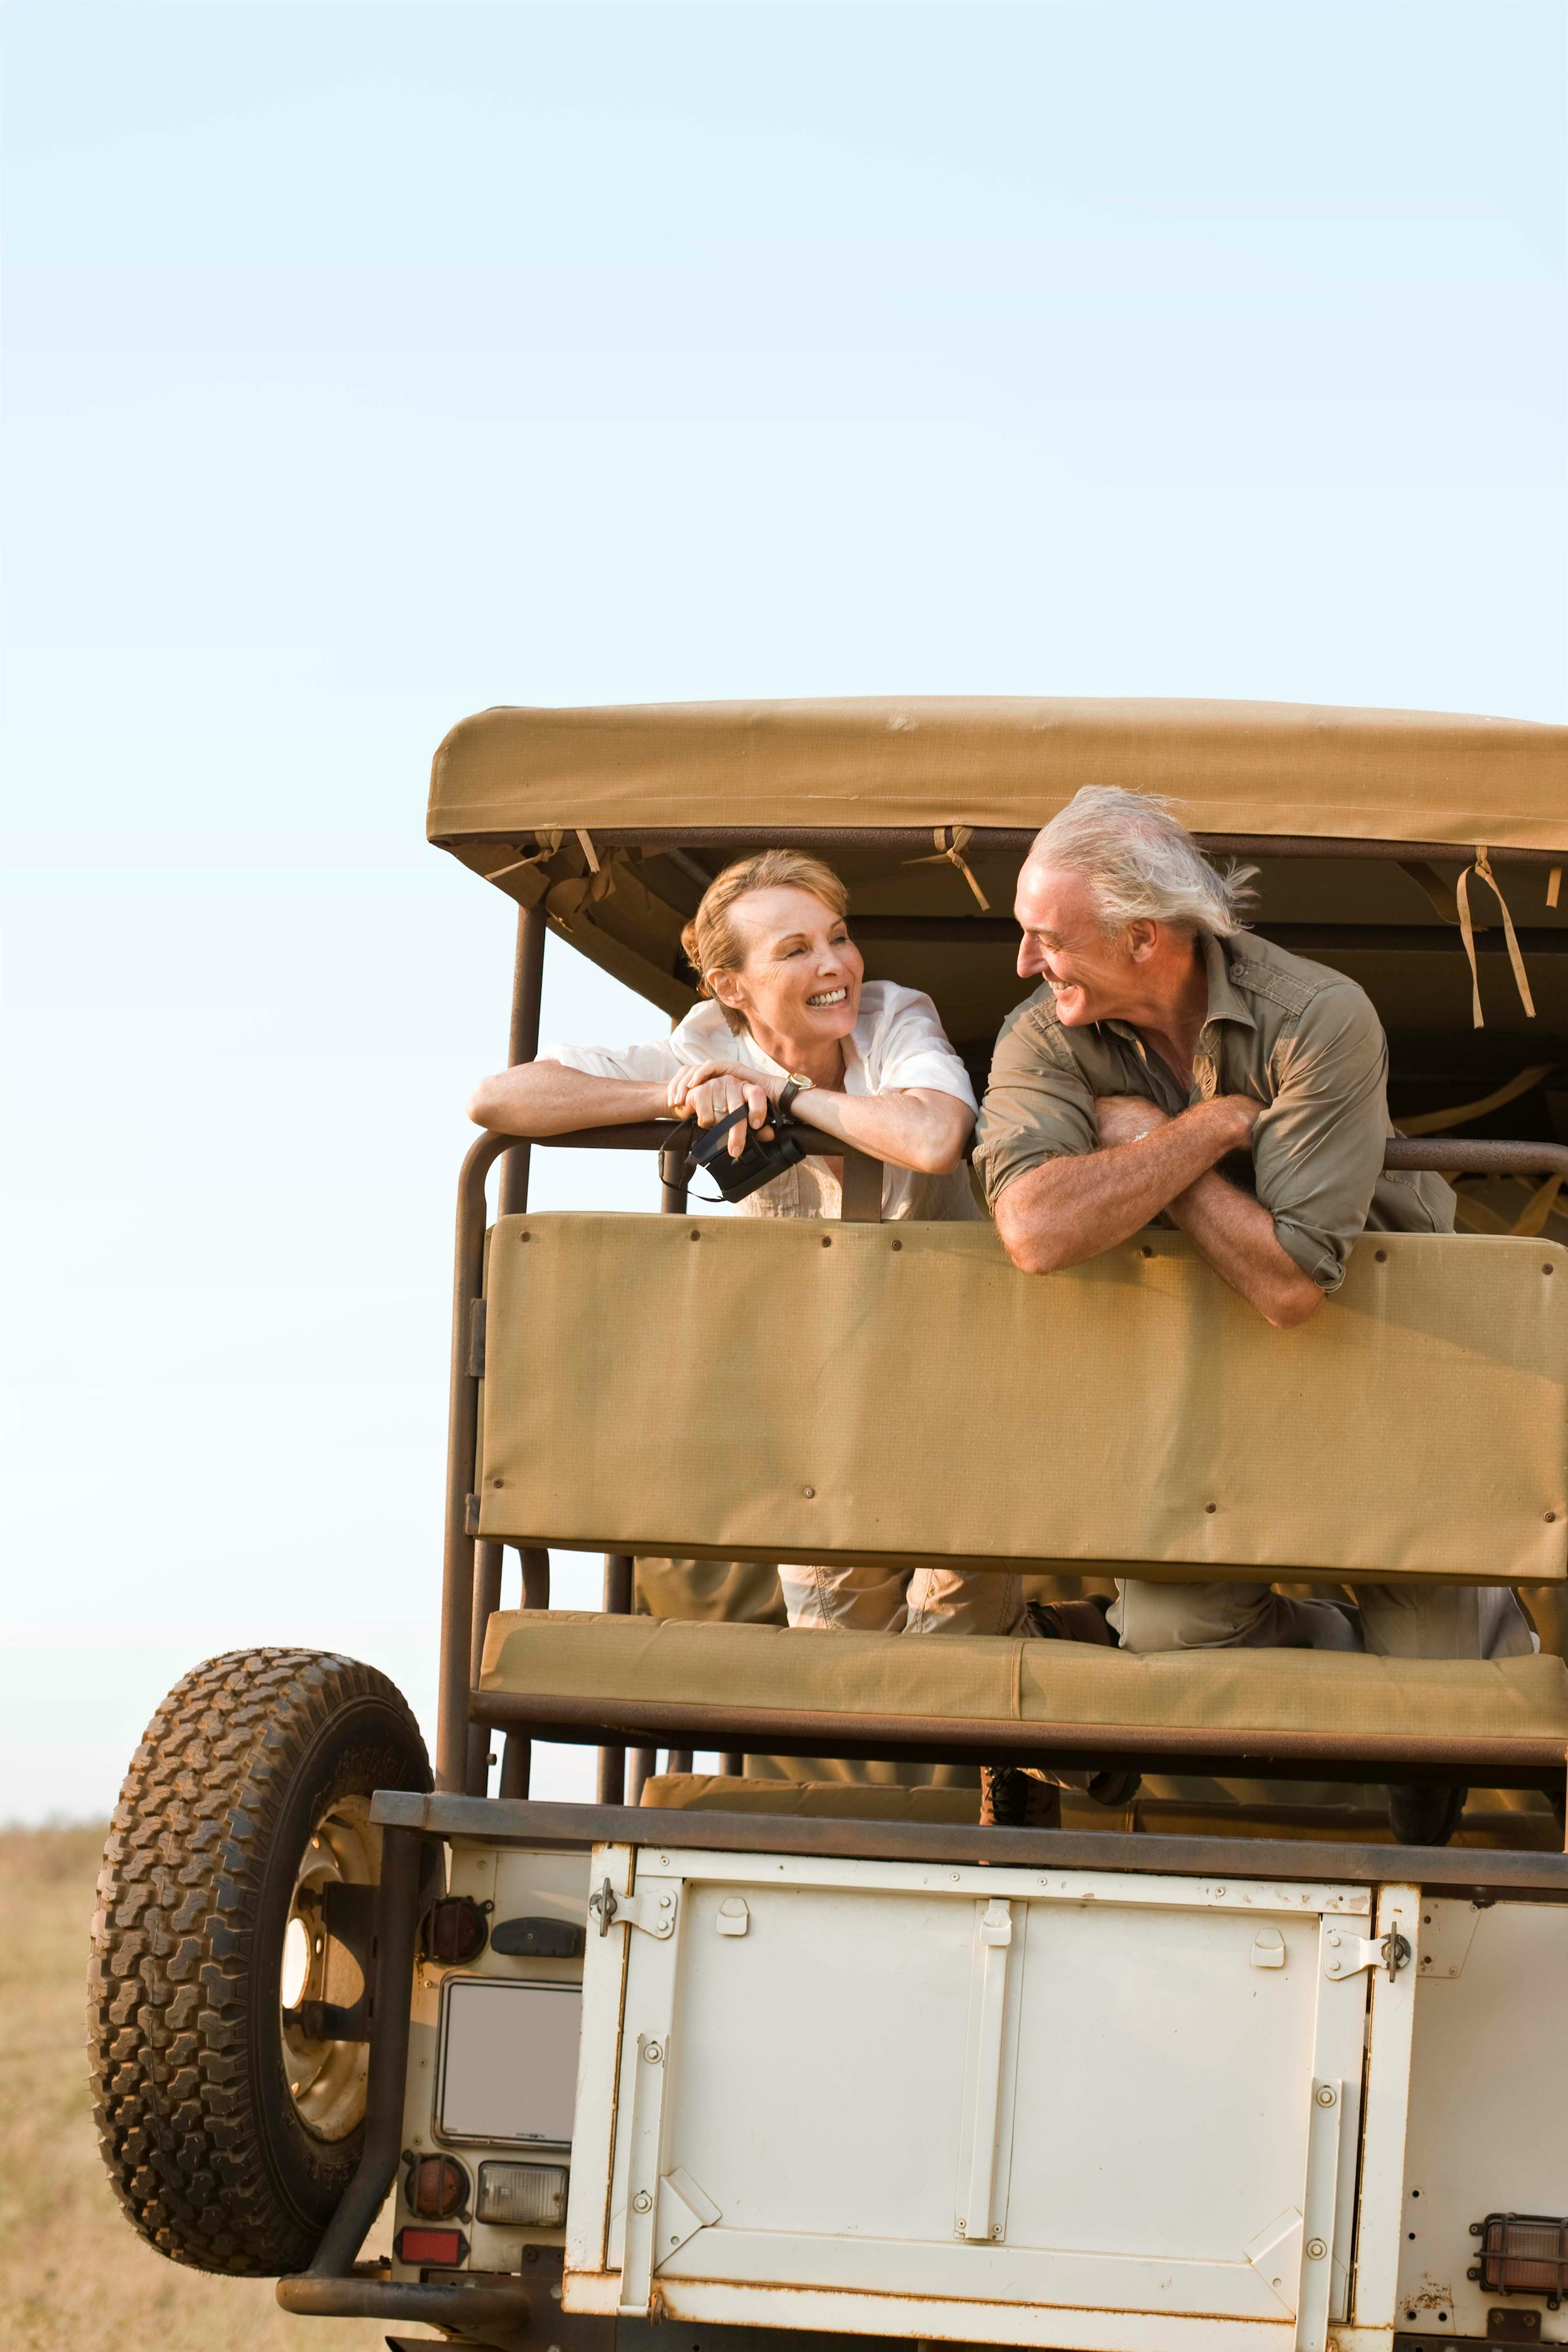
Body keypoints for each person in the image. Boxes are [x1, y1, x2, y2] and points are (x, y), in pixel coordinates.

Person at [972, 785, 1535, 1829]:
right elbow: (1036, 1230)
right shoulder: (1042, 1034)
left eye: (1045, 937)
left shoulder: (1318, 1014)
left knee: (1443, 1689)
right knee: (1180, 1649)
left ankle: (1455, 1695)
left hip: (1396, 1379)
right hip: (1193, 1404)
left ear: (1145, 938)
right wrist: (1204, 1132)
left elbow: (1287, 1283)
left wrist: (1154, 1150)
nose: (1022, 962)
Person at [470, 846, 1022, 1639]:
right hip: (819, 1397)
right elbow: (496, 1098)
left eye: (838, 936)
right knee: (837, 1652)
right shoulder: (703, 1044)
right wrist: (671, 1094)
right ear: (732, 988)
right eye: (796, 950)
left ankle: (1053, 1649)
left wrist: (785, 1098)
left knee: (960, 1643)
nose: (835, 965)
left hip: (960, 1373)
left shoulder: (896, 1015)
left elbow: (934, 1136)